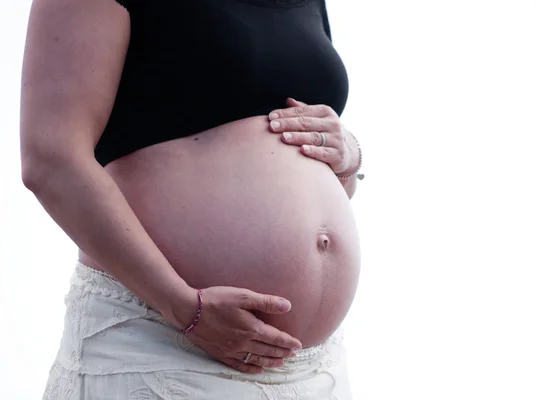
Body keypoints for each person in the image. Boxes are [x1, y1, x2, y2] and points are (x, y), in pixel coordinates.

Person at [20, 0, 363, 398]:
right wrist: (183, 307)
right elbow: (51, 158)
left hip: (314, 370)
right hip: (163, 345)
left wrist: (347, 154)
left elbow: (328, 182)